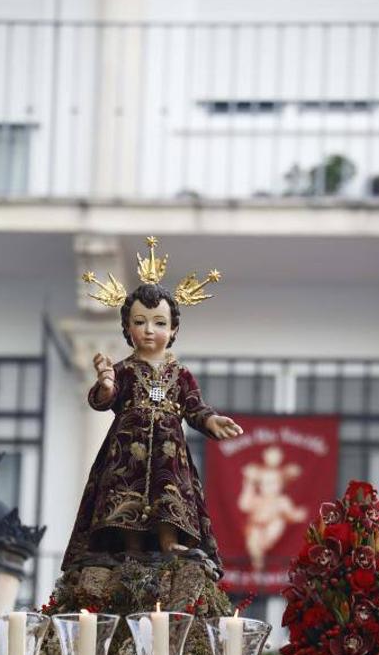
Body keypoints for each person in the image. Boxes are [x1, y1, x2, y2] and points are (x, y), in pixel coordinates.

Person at [61, 245, 243, 580]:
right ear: (127, 328)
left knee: (169, 489)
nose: (148, 330)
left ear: (173, 330)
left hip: (169, 449)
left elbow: (194, 407)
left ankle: (169, 541)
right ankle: (129, 547)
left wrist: (212, 421)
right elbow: (105, 399)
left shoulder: (181, 373)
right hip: (127, 446)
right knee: (124, 489)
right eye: (140, 322)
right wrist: (104, 384)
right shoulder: (124, 370)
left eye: (158, 323)